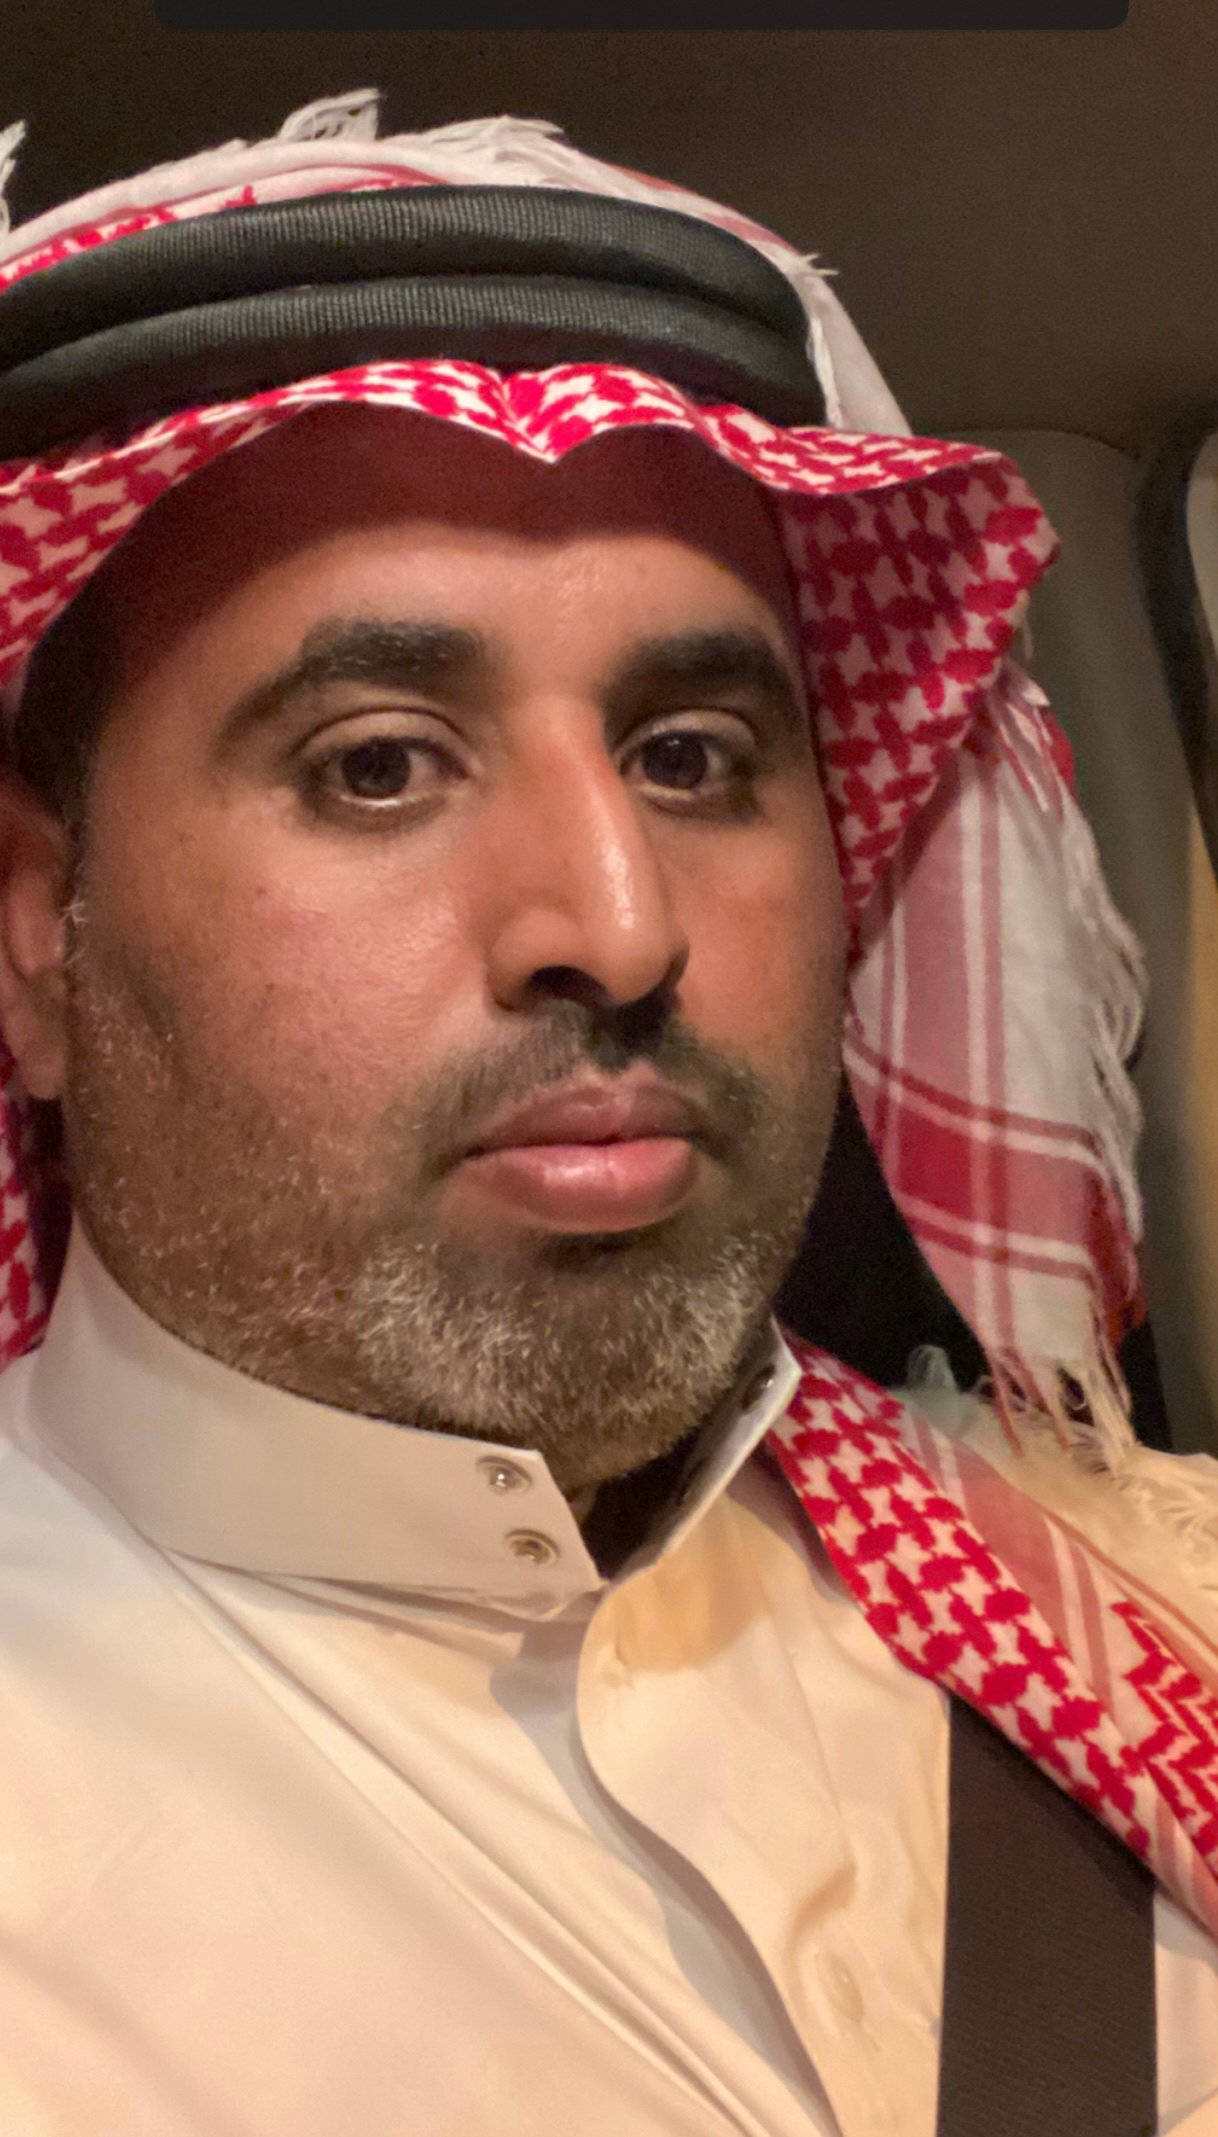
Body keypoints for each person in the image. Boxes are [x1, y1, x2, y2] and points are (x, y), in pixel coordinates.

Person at [0, 86, 1212, 2136]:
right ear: (39, 936)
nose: (622, 927)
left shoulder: (1139, 1588)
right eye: (377, 764)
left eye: (692, 753)